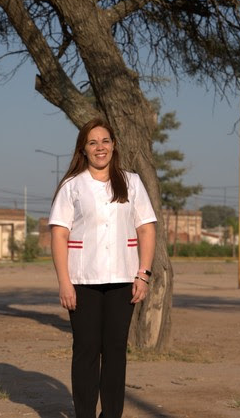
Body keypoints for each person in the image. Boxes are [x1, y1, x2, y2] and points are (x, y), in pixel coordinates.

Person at [49, 118, 157, 418]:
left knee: (115, 352)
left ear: (114, 145)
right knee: (86, 351)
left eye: (105, 141)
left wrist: (143, 274)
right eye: (93, 142)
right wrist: (64, 282)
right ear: (83, 149)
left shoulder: (131, 181)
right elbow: (59, 234)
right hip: (83, 281)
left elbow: (147, 229)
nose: (100, 147)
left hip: (124, 279)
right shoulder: (72, 186)